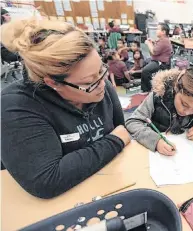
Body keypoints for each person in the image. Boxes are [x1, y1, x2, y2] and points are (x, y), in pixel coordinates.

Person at [1, 18, 130, 199]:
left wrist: (117, 140)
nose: (102, 83)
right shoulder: (16, 106)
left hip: (106, 186)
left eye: (101, 70)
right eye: (88, 82)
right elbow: (46, 180)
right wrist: (113, 142)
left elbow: (121, 131)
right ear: (53, 83)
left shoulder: (101, 87)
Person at [126, 66, 193, 156]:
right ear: (176, 87)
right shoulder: (158, 96)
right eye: (184, 104)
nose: (187, 112)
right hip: (155, 152)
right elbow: (132, 122)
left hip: (189, 153)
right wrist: (155, 141)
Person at [141, 23, 172, 92]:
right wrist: (151, 43)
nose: (156, 31)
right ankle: (145, 87)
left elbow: (154, 52)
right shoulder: (161, 40)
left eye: (158, 29)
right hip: (156, 60)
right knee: (145, 62)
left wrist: (149, 44)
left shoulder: (164, 41)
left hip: (161, 63)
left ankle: (150, 89)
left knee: (145, 71)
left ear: (163, 32)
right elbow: (152, 53)